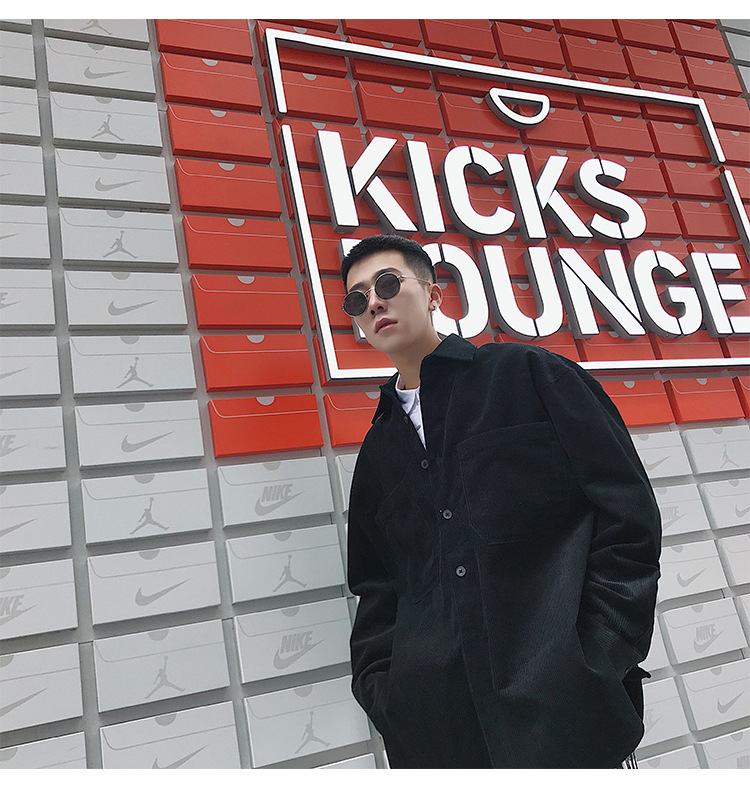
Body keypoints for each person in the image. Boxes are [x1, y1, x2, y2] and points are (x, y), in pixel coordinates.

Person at [342, 234, 661, 769]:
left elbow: (627, 513)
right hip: (445, 744)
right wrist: (391, 698)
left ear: (434, 295)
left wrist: (597, 655)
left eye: (388, 284)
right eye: (357, 299)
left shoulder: (528, 375)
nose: (373, 303)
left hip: (571, 720)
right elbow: (377, 590)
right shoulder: (378, 454)